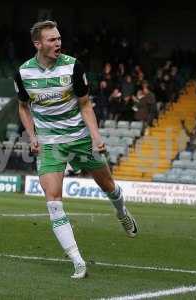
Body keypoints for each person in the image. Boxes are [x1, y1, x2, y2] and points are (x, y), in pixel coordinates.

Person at [14, 20, 138, 279]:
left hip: (80, 138)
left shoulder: (72, 66)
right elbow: (23, 107)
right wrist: (32, 135)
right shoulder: (23, 73)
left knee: (109, 187)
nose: (58, 43)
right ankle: (77, 261)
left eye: (58, 38)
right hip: (50, 144)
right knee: (54, 204)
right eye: (51, 39)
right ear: (38, 44)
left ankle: (122, 212)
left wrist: (95, 136)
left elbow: (85, 104)